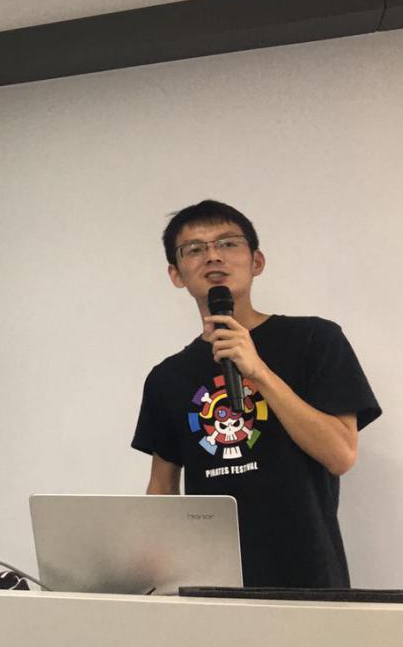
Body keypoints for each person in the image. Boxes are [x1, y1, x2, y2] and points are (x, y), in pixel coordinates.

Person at [132, 200, 381, 587]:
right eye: (194, 249)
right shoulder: (167, 378)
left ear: (257, 261)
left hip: (308, 579)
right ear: (176, 274)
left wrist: (259, 372)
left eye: (228, 243)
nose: (213, 256)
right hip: (213, 585)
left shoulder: (315, 340)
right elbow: (162, 488)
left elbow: (341, 454)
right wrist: (153, 581)